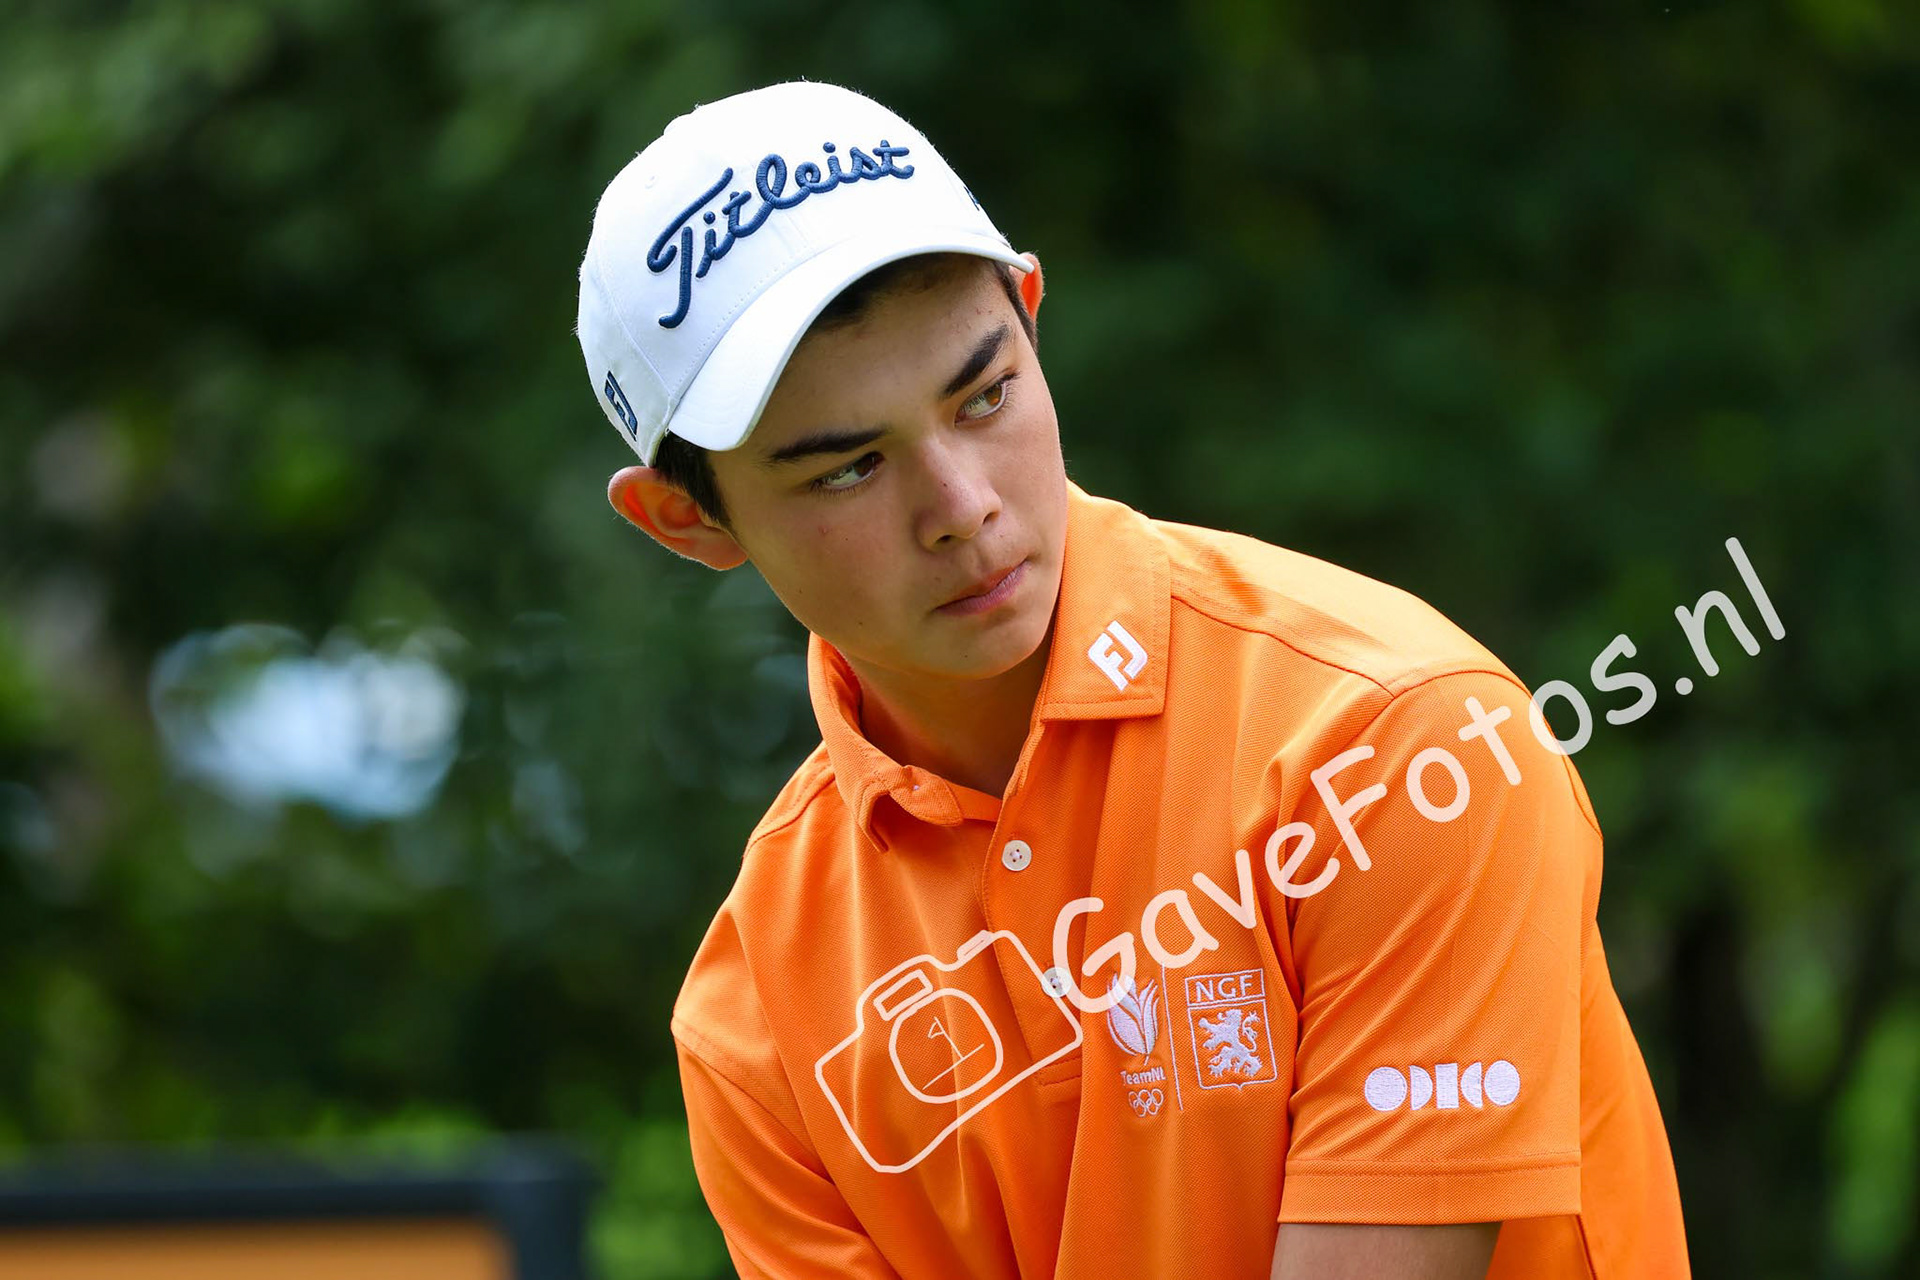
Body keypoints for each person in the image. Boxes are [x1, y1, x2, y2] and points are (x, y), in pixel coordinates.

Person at [576, 80, 1689, 1279]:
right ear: (684, 520)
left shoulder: (1402, 749)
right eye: (850, 468)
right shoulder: (757, 1021)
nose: (965, 507)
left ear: (1034, 318)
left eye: (985, 395)